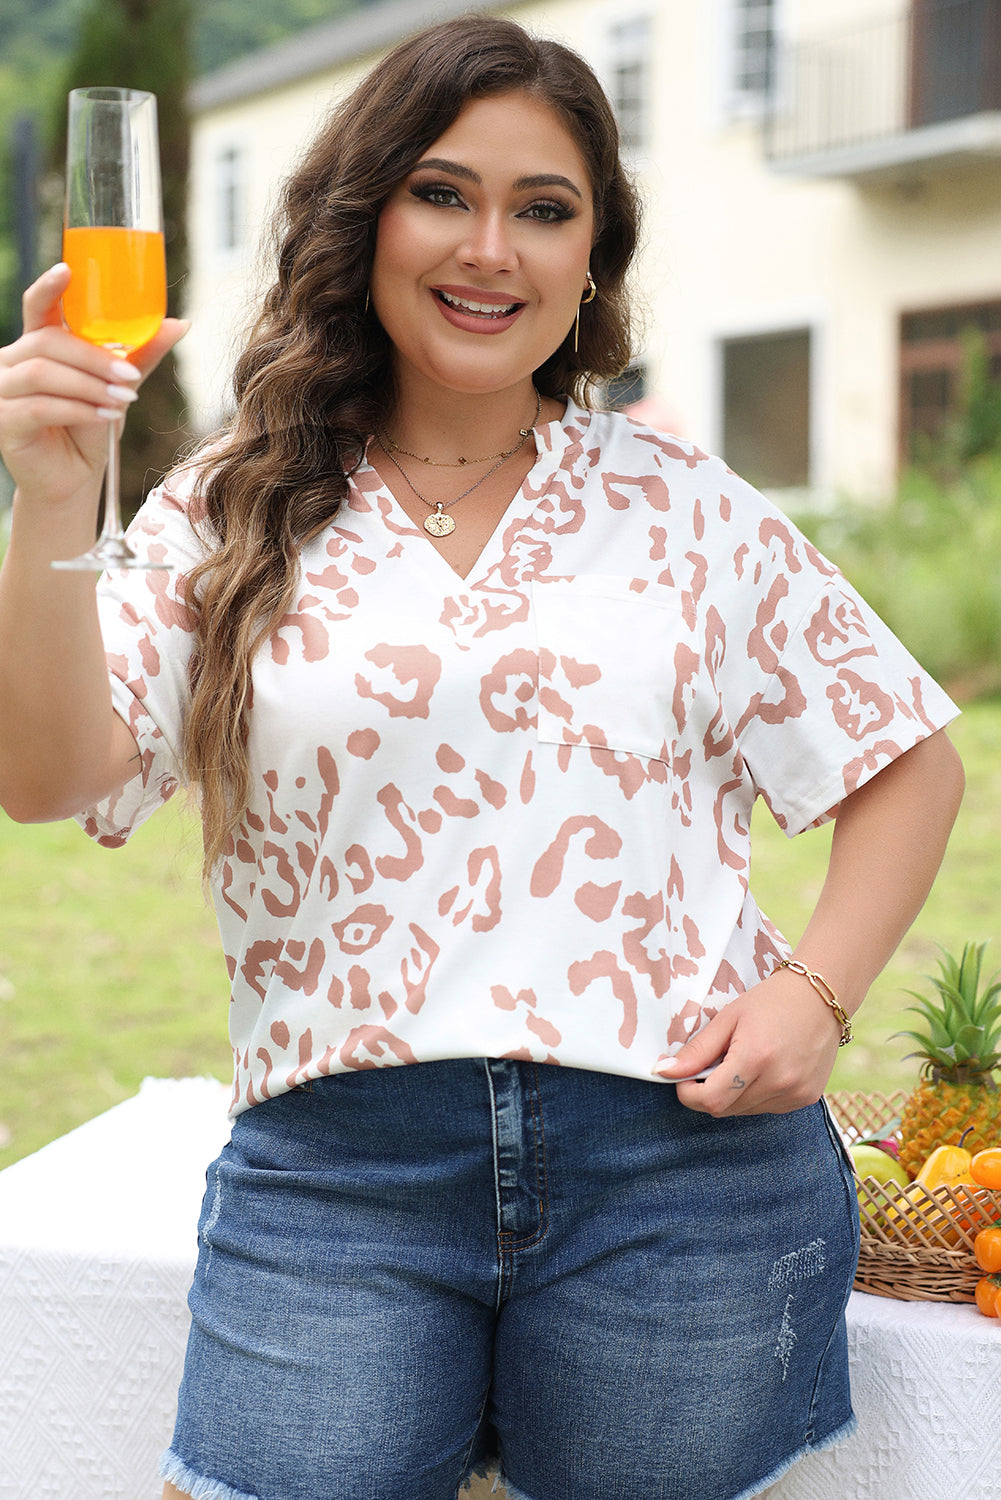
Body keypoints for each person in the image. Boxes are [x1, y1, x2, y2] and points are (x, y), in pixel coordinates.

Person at [0, 15, 964, 1500]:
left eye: (545, 209)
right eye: (443, 193)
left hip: (682, 1175)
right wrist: (54, 501)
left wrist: (811, 991)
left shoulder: (681, 507)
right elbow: (48, 775)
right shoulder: (227, 506)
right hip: (336, 1175)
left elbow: (903, 756)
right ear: (365, 216)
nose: (490, 249)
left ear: (592, 261)